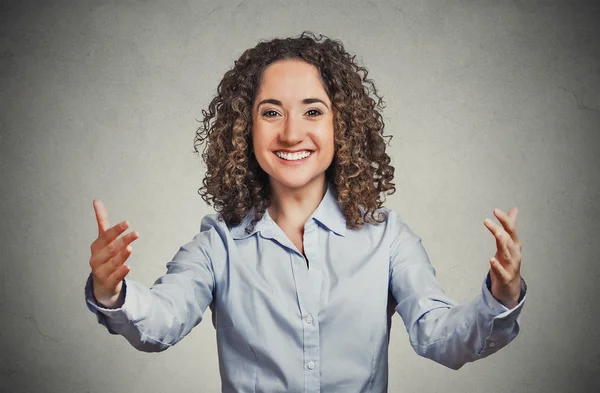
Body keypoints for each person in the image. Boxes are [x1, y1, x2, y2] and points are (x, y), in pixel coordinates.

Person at [85, 31, 527, 392]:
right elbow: (162, 321)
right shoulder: (218, 244)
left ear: (342, 126)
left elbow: (440, 336)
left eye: (313, 111)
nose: (292, 133)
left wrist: (500, 297)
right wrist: (113, 293)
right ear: (244, 129)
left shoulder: (387, 239)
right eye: (271, 112)